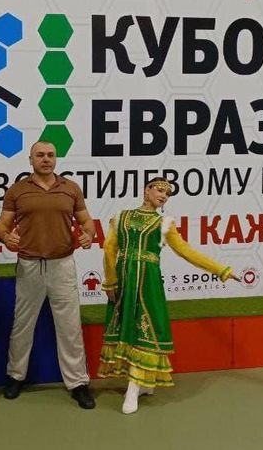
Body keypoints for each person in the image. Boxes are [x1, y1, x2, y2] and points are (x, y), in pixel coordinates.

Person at [98, 176, 240, 414]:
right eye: (160, 190)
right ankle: (141, 384)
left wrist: (221, 270)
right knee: (126, 328)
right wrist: (110, 281)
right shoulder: (121, 217)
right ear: (147, 190)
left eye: (168, 193)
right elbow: (109, 248)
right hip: (124, 282)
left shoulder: (164, 223)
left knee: (146, 329)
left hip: (148, 284)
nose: (164, 195)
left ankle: (134, 387)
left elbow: (186, 251)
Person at [0, 141, 96, 409]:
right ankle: (15, 376)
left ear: (56, 159)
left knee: (70, 327)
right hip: (29, 265)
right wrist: (6, 237)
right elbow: (2, 227)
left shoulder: (70, 188)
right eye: (40, 155)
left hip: (62, 265)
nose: (46, 159)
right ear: (31, 160)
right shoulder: (17, 190)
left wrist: (88, 234)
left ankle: (78, 383)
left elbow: (87, 222)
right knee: (22, 325)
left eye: (51, 155)